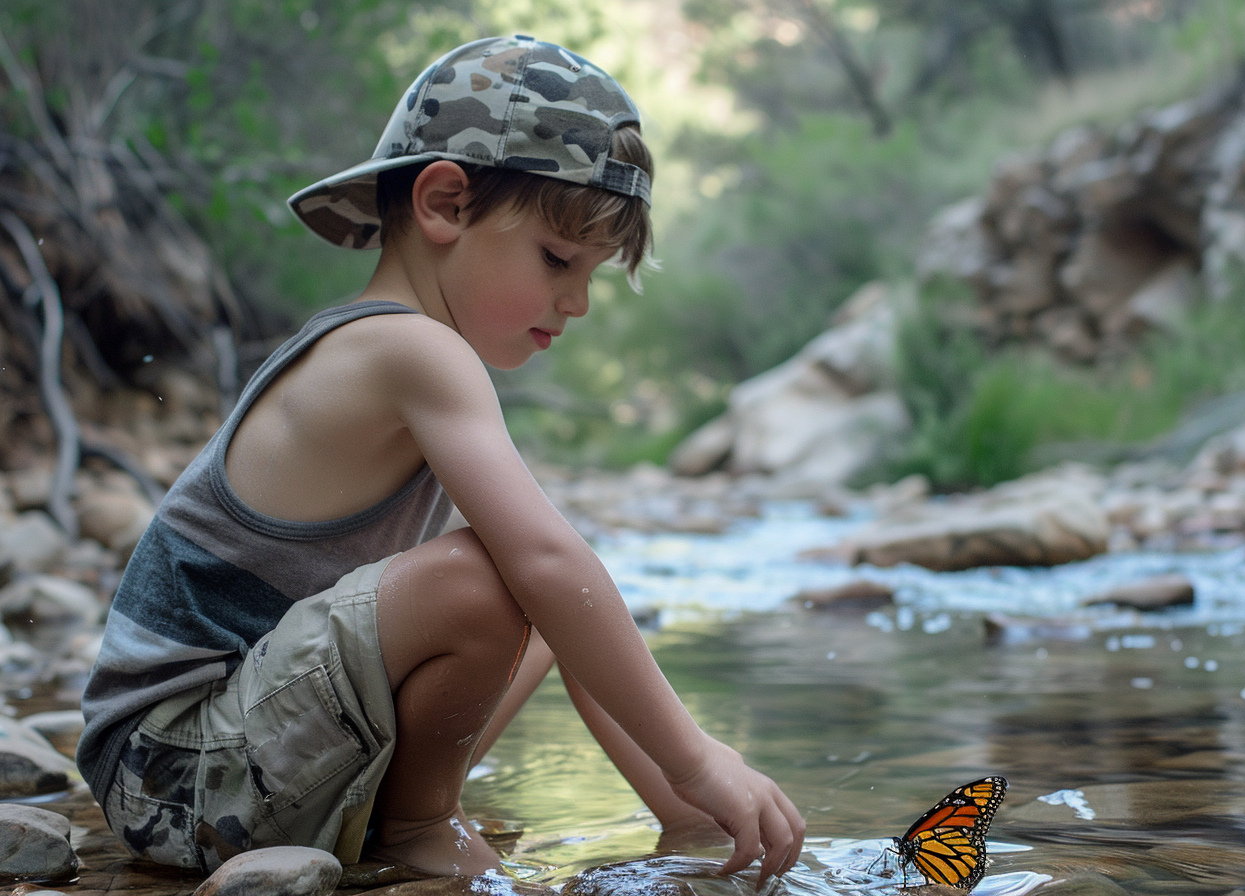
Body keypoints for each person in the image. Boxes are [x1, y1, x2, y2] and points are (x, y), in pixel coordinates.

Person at [76, 34, 806, 886]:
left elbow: (561, 601)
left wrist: (689, 804)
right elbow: (541, 560)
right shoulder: (410, 352)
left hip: (233, 756)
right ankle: (419, 827)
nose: (575, 303)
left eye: (593, 275)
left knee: (545, 611)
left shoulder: (411, 360)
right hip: (169, 772)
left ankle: (603, 820)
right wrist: (695, 757)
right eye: (558, 259)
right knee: (495, 580)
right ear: (445, 205)